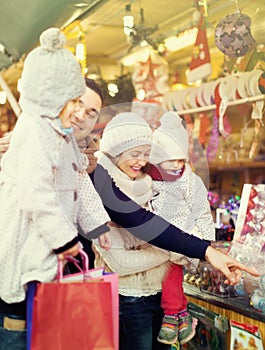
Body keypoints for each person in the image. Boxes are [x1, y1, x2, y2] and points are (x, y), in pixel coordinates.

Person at [0, 78, 259, 284]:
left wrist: (206, 251)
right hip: (16, 277)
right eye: (77, 104)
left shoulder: (86, 166)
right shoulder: (23, 146)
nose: (81, 116)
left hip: (63, 283)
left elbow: (138, 218)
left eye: (92, 112)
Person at [0, 28, 111, 350]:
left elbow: (78, 183)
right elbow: (35, 194)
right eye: (75, 101)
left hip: (43, 250)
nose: (80, 112)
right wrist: (65, 241)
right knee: (19, 320)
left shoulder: (58, 135)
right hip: (25, 248)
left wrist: (96, 223)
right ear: (53, 95)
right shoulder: (36, 132)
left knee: (43, 323)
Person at [92, 111, 173, 349]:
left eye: (146, 154)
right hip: (126, 298)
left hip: (161, 296)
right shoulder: (101, 191)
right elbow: (120, 263)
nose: (141, 161)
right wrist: (170, 252)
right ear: (115, 152)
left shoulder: (153, 188)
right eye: (134, 154)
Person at [148, 111, 216, 345]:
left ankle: (174, 312)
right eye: (171, 160)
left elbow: (202, 213)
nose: (177, 166)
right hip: (150, 245)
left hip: (182, 241)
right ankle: (178, 315)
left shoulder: (190, 181)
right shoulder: (145, 179)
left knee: (172, 269)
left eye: (181, 160)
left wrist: (203, 244)